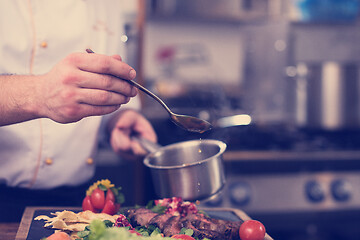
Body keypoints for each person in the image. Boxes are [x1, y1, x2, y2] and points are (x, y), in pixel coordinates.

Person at [0, 0, 157, 222]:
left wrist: (119, 118)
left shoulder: (108, 6)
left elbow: (104, 84)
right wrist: (40, 92)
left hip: (79, 204)